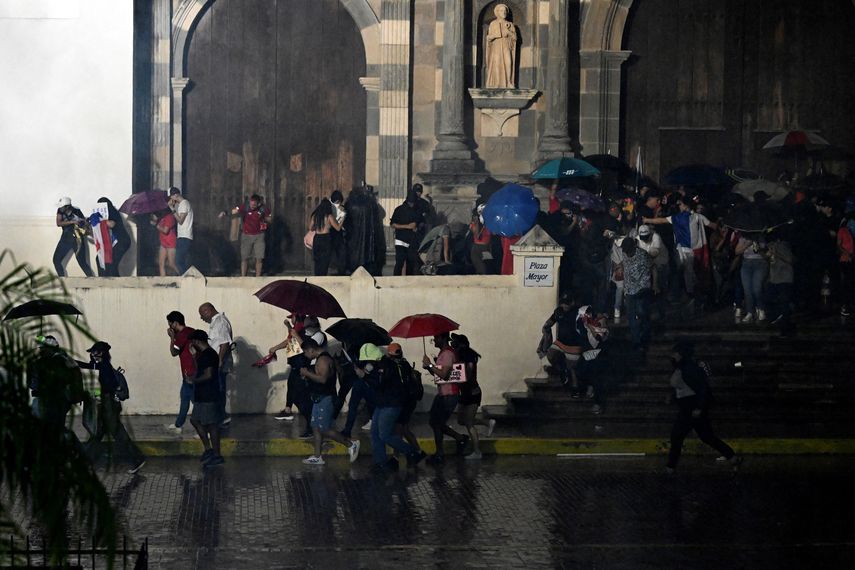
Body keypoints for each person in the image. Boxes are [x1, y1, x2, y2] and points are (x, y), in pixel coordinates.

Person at [665, 342, 740, 473]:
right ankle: (732, 457)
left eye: (675, 353)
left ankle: (670, 467)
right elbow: (683, 387)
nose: (672, 355)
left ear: (681, 354)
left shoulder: (688, 368)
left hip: (690, 407)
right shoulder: (682, 367)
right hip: (690, 407)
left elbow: (701, 388)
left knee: (677, 436)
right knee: (707, 436)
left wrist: (698, 407)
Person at [75, 341, 146, 474]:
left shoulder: (104, 367)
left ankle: (137, 459)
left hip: (109, 406)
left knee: (117, 433)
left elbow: (109, 385)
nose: (92, 355)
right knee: (97, 434)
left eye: (94, 352)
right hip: (106, 404)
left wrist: (99, 395)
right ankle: (85, 461)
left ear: (101, 353)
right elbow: (89, 365)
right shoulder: (102, 365)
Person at [358, 343, 426, 471]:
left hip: (391, 404)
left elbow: (380, 384)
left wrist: (365, 376)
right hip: (383, 403)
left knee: (384, 435)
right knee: (375, 434)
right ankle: (381, 463)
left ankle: (411, 452)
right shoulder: (382, 364)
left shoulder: (386, 365)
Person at [644, 196, 717, 306]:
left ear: (686, 205)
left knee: (688, 274)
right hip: (696, 251)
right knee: (694, 274)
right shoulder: (698, 217)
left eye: (681, 204)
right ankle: (695, 296)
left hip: (684, 251)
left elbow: (661, 220)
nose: (679, 206)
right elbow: (713, 225)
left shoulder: (678, 218)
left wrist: (647, 220)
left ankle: (691, 296)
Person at [298, 338, 360, 465]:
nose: (305, 355)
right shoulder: (320, 359)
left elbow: (323, 380)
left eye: (305, 352)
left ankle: (351, 444)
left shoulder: (324, 360)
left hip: (326, 399)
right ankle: (317, 456)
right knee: (315, 426)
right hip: (318, 397)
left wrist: (307, 373)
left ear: (311, 349)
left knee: (324, 428)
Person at [423, 333, 469, 464]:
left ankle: (440, 454)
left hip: (449, 394)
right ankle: (459, 438)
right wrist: (429, 367)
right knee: (434, 422)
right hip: (443, 393)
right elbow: (439, 374)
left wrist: (430, 365)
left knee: (437, 424)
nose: (434, 340)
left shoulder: (448, 354)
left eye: (436, 338)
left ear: (443, 338)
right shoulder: (444, 353)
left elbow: (444, 374)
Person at [451, 334, 496, 460]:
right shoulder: (459, 356)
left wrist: (459, 377)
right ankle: (487, 423)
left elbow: (468, 374)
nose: (453, 344)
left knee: (469, 424)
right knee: (461, 420)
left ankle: (477, 452)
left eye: (455, 342)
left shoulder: (469, 356)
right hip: (464, 393)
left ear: (462, 344)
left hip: (472, 393)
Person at [27, 334, 84, 429]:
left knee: (51, 427)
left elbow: (35, 384)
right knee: (57, 426)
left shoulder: (48, 363)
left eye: (42, 349)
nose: (40, 351)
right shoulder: (66, 359)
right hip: (65, 399)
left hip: (53, 400)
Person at [187, 330, 226, 468]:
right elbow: (200, 369)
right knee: (195, 420)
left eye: (193, 342)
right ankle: (209, 450)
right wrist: (193, 357)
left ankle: (216, 455)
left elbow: (208, 374)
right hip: (202, 394)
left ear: (197, 341)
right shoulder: (203, 355)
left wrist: (194, 381)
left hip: (209, 394)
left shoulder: (209, 354)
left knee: (212, 425)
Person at [199, 302, 234, 426]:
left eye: (202, 314)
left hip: (218, 362)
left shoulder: (220, 322)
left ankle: (220, 417)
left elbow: (224, 343)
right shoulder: (217, 322)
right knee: (217, 389)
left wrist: (219, 361)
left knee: (218, 390)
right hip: (215, 361)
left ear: (208, 310)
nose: (201, 318)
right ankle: (219, 416)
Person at [220, 194, 271, 277]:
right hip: (246, 235)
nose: (252, 206)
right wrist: (225, 213)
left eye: (254, 205)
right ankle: (243, 276)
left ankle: (258, 277)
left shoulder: (263, 209)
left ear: (258, 204)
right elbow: (235, 210)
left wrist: (263, 217)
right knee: (244, 257)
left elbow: (269, 219)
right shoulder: (245, 206)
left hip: (259, 235)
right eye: (251, 204)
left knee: (259, 257)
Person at [163, 311, 196, 434]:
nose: (169, 327)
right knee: (185, 398)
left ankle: (204, 429)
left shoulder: (182, 335)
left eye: (170, 324)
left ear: (175, 323)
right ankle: (178, 424)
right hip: (191, 372)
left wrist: (172, 337)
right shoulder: (191, 331)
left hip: (190, 373)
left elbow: (174, 352)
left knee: (195, 401)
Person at [390, 343, 424, 455]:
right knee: (404, 430)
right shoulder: (405, 364)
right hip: (410, 401)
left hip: (404, 402)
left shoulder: (398, 367)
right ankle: (418, 451)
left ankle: (398, 455)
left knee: (398, 430)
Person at [621, 237, 653, 351]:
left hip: (641, 290)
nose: (626, 253)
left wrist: (644, 288)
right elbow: (626, 271)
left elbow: (648, 272)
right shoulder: (624, 254)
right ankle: (636, 341)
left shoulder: (643, 255)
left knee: (642, 314)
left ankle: (644, 338)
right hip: (629, 291)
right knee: (631, 317)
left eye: (628, 250)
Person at [53, 197, 93, 277]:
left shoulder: (77, 211)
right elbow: (58, 223)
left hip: (78, 240)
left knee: (82, 262)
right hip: (66, 238)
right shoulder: (60, 210)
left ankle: (93, 281)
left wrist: (84, 223)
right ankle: (62, 280)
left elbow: (84, 224)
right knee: (56, 260)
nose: (60, 208)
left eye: (62, 207)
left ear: (67, 206)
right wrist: (72, 221)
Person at [735, 234, 768, 323]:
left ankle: (761, 309)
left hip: (760, 263)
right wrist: (747, 244)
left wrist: (758, 248)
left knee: (757, 288)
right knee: (747, 290)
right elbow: (737, 251)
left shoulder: (760, 237)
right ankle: (750, 312)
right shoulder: (743, 238)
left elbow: (765, 254)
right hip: (746, 264)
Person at [95, 197, 131, 277]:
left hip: (122, 241)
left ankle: (112, 283)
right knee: (101, 259)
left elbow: (112, 224)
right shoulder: (106, 214)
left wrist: (100, 220)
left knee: (111, 263)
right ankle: (104, 280)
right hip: (117, 241)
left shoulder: (112, 211)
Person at [485, 3, 516, 88]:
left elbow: (515, 38)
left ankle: (509, 82)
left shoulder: (510, 24)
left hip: (506, 46)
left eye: (505, 10)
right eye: (502, 10)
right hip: (496, 47)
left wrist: (508, 31)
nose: (504, 12)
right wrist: (495, 35)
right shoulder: (493, 24)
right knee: (497, 63)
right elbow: (488, 38)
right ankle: (497, 83)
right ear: (497, 12)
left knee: (508, 62)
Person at [390, 190, 421, 275]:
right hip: (407, 240)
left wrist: (402, 226)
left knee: (402, 263)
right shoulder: (413, 211)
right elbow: (413, 225)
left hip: (403, 239)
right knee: (407, 263)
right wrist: (408, 226)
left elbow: (393, 224)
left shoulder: (399, 209)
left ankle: (397, 280)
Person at [310, 198, 343, 276]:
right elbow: (338, 228)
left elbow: (311, 228)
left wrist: (318, 226)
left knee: (317, 260)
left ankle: (317, 276)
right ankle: (322, 276)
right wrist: (342, 219)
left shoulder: (315, 216)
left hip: (317, 238)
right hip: (326, 239)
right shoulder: (329, 216)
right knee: (325, 261)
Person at [168, 187, 194, 274]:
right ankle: (187, 280)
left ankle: (189, 280)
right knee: (180, 261)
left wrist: (172, 209)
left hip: (185, 236)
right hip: (182, 236)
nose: (171, 199)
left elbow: (180, 220)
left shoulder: (184, 204)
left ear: (175, 195)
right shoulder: (183, 204)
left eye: (171, 197)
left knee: (179, 261)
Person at [150, 209, 179, 276]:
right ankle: (163, 281)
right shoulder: (161, 217)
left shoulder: (170, 217)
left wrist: (156, 225)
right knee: (161, 263)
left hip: (170, 242)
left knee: (171, 264)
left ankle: (183, 277)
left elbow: (165, 231)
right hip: (163, 242)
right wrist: (154, 219)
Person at [469, 206, 494, 275]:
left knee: (487, 268)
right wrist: (477, 222)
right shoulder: (474, 224)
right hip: (477, 248)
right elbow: (476, 234)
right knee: (481, 269)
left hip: (486, 247)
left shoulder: (489, 224)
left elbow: (494, 233)